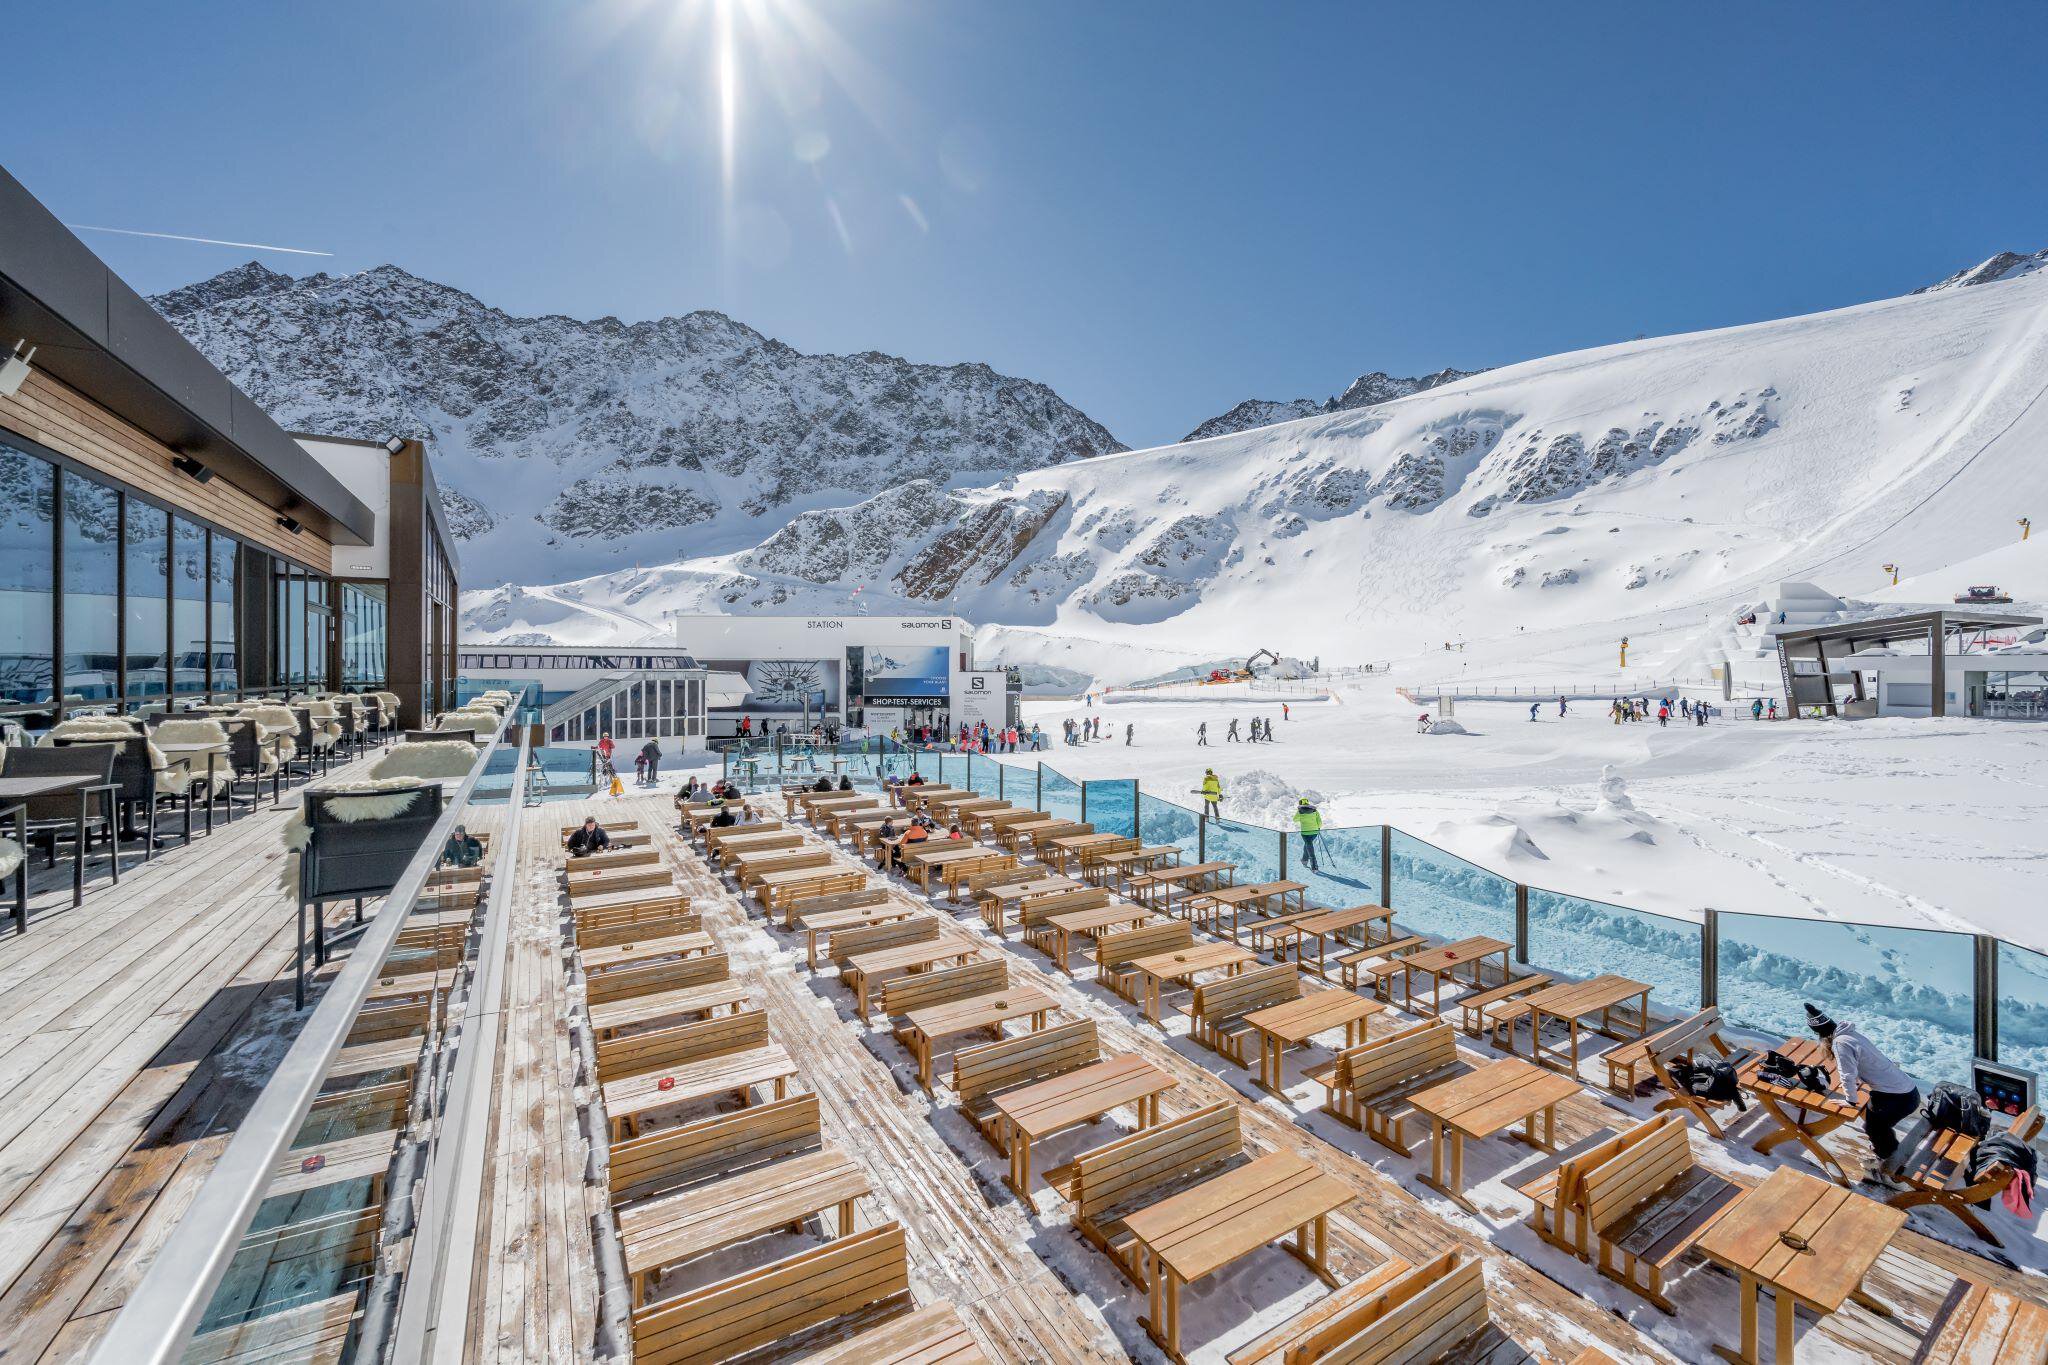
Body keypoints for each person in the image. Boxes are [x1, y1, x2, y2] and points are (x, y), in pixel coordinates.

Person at [1805, 1003, 1920, 1181]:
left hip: (1898, 1098)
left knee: (1875, 1127)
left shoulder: (1840, 1043)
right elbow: (1866, 1062)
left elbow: (1846, 1073)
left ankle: (1893, 1172)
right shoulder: (1850, 1034)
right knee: (1877, 1127)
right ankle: (1888, 1160)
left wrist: (1850, 1100)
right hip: (1907, 1090)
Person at [1295, 797, 1322, 871]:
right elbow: (1319, 821)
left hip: (1305, 832)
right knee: (1308, 844)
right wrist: (1318, 828)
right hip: (1314, 832)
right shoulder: (1314, 810)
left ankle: (1314, 866)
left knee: (1308, 845)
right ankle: (1304, 860)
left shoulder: (1300, 811)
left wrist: (1299, 813)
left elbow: (1295, 820)